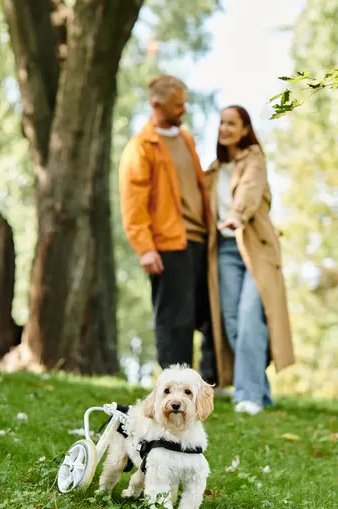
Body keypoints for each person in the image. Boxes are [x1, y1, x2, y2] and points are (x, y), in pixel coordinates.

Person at [119, 75, 216, 383]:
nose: (184, 110)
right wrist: (145, 248)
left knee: (208, 312)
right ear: (156, 104)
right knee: (176, 318)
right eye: (178, 105)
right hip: (168, 244)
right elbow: (134, 203)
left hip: (201, 238)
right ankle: (176, 386)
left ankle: (211, 382)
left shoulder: (185, 139)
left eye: (185, 103)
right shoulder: (141, 148)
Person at [205, 105, 294, 414]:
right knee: (231, 321)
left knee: (248, 318)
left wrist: (236, 215)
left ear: (245, 129)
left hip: (256, 247)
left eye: (232, 123)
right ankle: (259, 391)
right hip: (226, 252)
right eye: (222, 123)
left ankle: (249, 396)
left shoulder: (254, 157)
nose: (225, 128)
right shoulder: (214, 169)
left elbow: (250, 190)